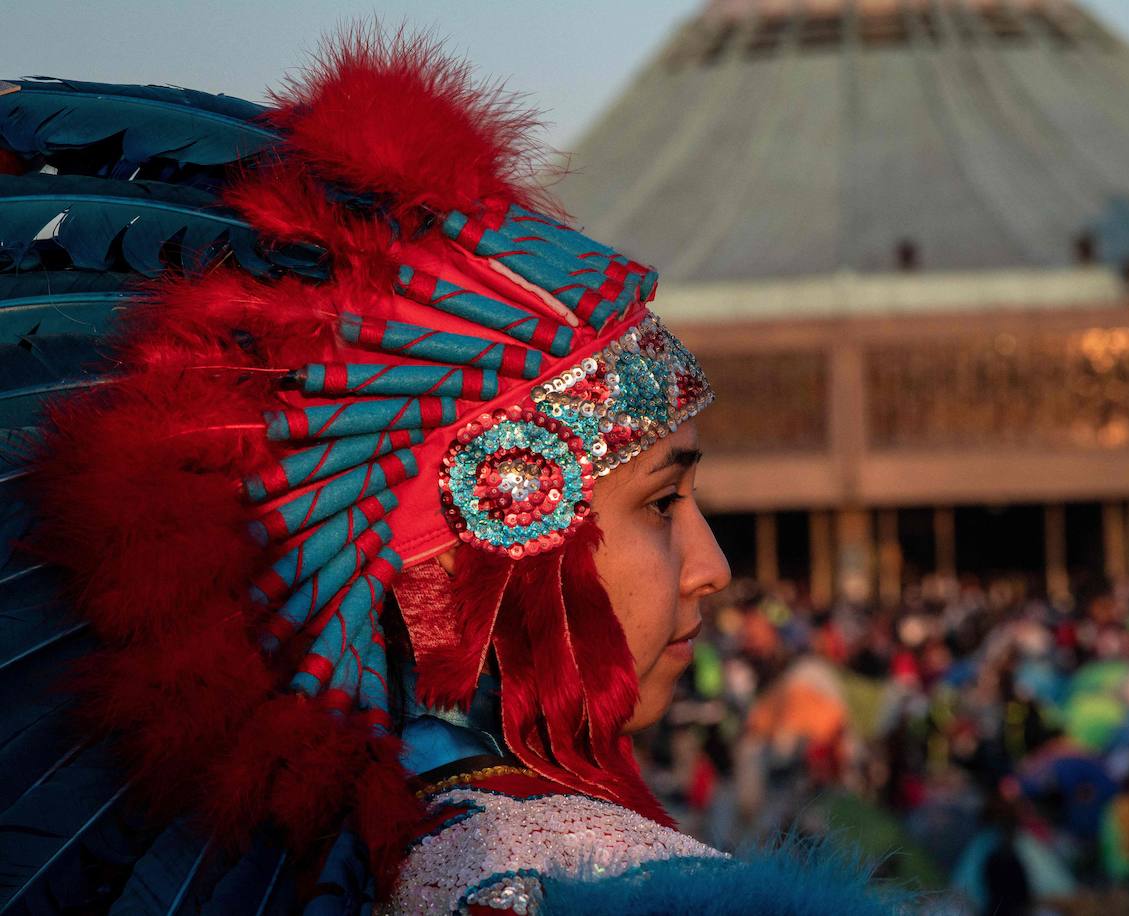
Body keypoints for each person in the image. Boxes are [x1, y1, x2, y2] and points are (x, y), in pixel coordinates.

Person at [0, 30, 908, 915]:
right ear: (479, 546)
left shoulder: (365, 863)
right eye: (663, 503)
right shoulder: (600, 882)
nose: (713, 566)